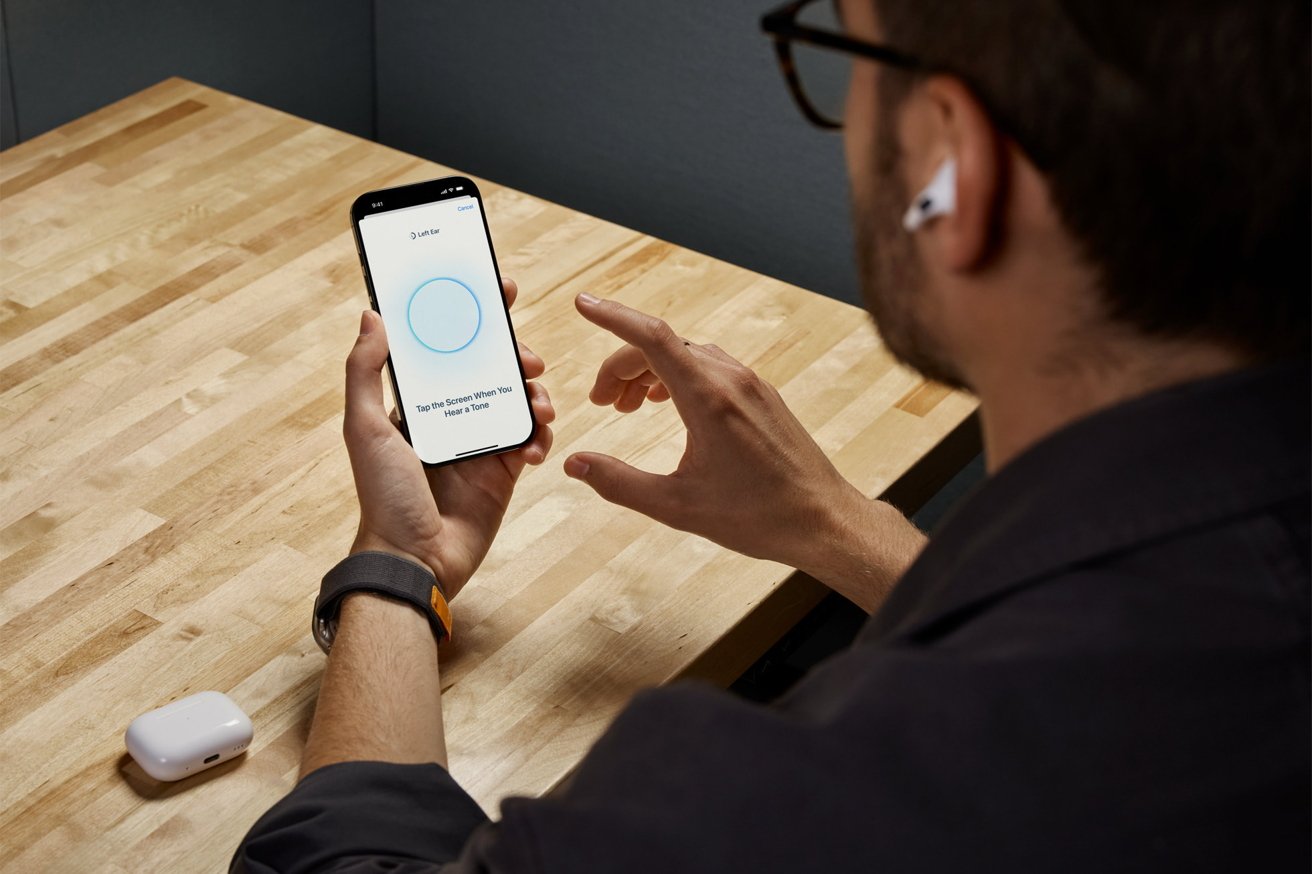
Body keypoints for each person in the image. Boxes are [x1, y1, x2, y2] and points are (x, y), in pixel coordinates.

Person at [232, 0, 1310, 870]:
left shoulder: (775, 813)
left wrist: (399, 565)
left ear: (953, 174)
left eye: (842, 56)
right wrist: (842, 526)